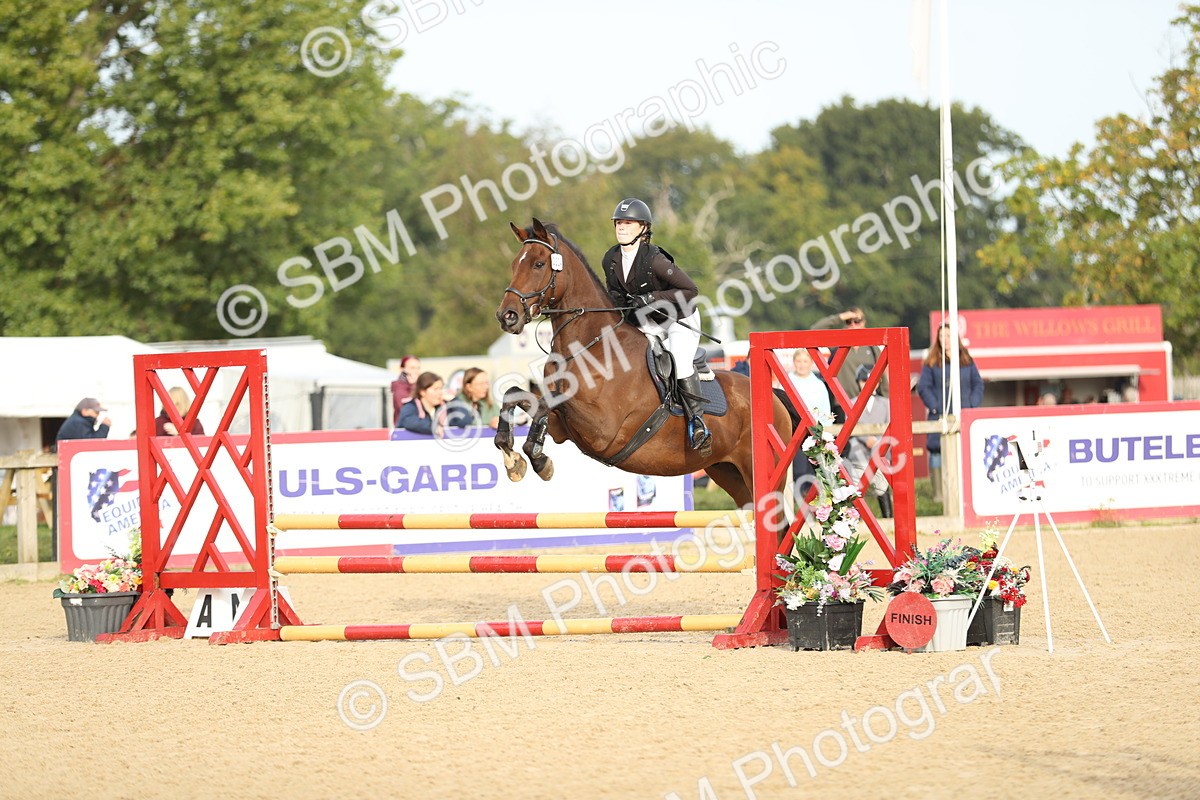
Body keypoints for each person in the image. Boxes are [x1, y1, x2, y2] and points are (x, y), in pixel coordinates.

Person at [601, 198, 710, 452]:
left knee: (679, 362)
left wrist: (651, 298)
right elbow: (616, 298)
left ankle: (698, 422)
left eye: (628, 223)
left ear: (642, 228)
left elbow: (690, 289)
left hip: (678, 319)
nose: (621, 227)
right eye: (619, 222)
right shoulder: (611, 259)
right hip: (647, 323)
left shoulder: (654, 260)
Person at [917, 322, 984, 504]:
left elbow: (978, 384)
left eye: (947, 336)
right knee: (937, 452)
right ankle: (939, 496)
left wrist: (971, 404)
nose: (944, 340)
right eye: (941, 336)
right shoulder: (931, 362)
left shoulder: (966, 360)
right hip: (940, 416)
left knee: (964, 453)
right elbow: (923, 387)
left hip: (964, 414)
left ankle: (965, 494)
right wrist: (936, 406)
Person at [846, 364, 893, 518]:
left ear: (878, 383)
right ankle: (855, 518)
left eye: (871, 381)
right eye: (863, 381)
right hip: (858, 451)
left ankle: (888, 517)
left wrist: (878, 441)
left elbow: (890, 425)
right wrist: (866, 439)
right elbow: (850, 425)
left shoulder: (886, 403)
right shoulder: (851, 402)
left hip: (880, 452)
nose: (866, 385)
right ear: (858, 383)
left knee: (882, 485)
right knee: (856, 487)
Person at [812, 306, 889, 398]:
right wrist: (840, 317)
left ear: (864, 322)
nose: (853, 324)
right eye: (848, 321)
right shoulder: (838, 343)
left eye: (857, 321)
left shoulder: (872, 348)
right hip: (840, 402)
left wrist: (886, 401)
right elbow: (814, 330)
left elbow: (882, 376)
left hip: (867, 402)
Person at [397, 372, 468, 436]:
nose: (440, 392)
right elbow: (408, 421)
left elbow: (464, 421)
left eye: (441, 388)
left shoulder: (444, 408)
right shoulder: (411, 406)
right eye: (436, 389)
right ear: (422, 392)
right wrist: (433, 427)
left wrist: (454, 401)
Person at [390, 355, 421, 426]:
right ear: (402, 369)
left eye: (418, 368)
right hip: (404, 428)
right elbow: (404, 408)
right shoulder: (399, 387)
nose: (416, 371)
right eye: (412, 368)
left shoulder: (420, 385)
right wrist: (414, 386)